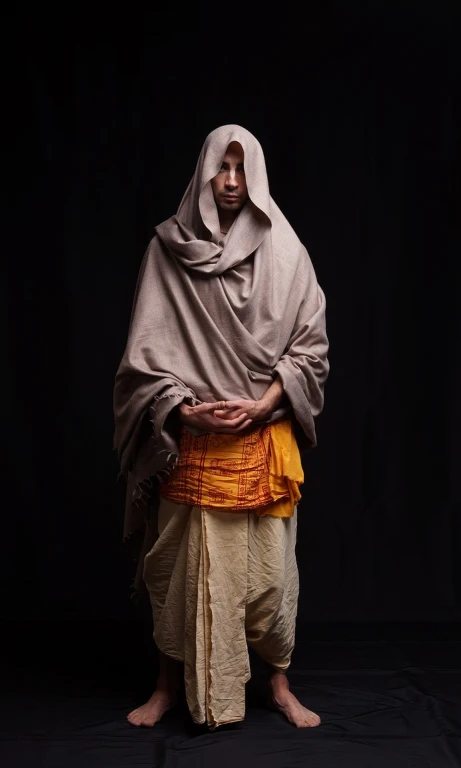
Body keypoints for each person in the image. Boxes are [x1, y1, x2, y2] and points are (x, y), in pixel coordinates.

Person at [113, 125, 329, 730]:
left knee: (272, 573)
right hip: (191, 442)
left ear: (255, 177)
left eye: (241, 169)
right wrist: (183, 412)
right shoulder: (168, 250)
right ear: (204, 172)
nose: (231, 181)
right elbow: (141, 362)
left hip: (263, 438)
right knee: (178, 569)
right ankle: (165, 686)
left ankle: (278, 685)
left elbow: (311, 349)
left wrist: (263, 405)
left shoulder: (286, 251)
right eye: (221, 167)